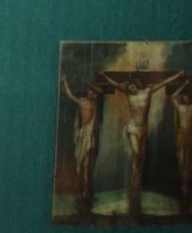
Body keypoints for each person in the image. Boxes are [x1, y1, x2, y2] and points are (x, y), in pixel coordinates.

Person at [101, 70, 183, 216]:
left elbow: (164, 82)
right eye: (129, 88)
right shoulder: (128, 95)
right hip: (132, 128)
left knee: (141, 158)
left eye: (132, 86)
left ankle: (136, 177)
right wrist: (104, 76)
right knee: (137, 154)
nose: (130, 89)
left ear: (137, 85)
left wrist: (178, 75)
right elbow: (116, 84)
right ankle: (134, 177)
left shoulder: (147, 92)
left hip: (143, 130)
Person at [61, 76, 102, 213]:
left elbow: (100, 91)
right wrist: (65, 82)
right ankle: (82, 196)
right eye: (90, 92)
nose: (91, 94)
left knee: (87, 168)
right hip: (83, 134)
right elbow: (70, 95)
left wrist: (91, 84)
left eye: (93, 93)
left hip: (91, 136)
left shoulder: (95, 103)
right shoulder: (82, 101)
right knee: (81, 164)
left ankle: (87, 195)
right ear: (87, 93)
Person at [170, 79, 192, 204]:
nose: (185, 99)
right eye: (184, 97)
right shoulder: (180, 107)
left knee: (187, 161)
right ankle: (182, 184)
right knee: (180, 158)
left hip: (190, 135)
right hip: (181, 134)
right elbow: (173, 96)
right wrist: (184, 84)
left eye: (187, 97)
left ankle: (186, 185)